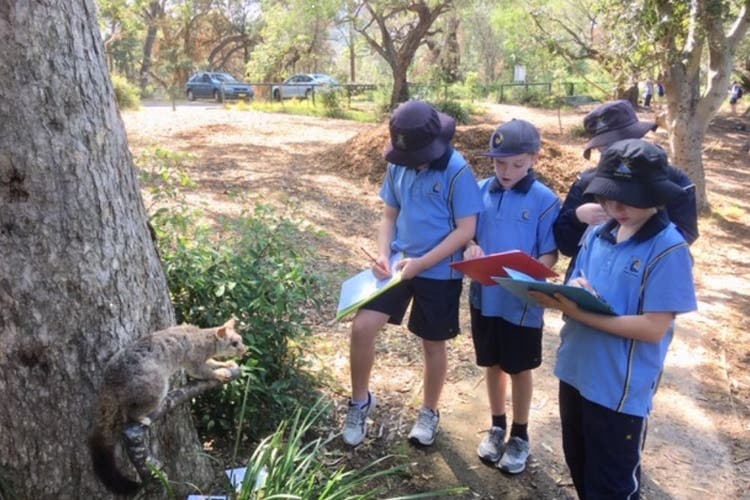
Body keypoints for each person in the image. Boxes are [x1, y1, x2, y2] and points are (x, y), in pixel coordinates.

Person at [530, 139, 697, 499]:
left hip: (618, 390)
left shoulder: (668, 249)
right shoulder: (599, 234)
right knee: (581, 466)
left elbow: (654, 328)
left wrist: (581, 313)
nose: (615, 206)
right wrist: (569, 293)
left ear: (656, 195)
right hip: (576, 371)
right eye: (607, 195)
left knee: (613, 485)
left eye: (629, 196)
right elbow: (583, 281)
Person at [341, 100, 483, 447]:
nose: (414, 162)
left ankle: (429, 411)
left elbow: (465, 231)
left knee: (432, 343)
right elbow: (390, 215)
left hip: (439, 270)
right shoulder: (399, 165)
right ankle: (360, 402)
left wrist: (422, 264)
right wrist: (382, 254)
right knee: (362, 327)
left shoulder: (457, 171)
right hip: (398, 261)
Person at [465, 119, 560, 474]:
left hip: (521, 302)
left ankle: (520, 435)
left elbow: (550, 253)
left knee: (518, 367)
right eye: (499, 163)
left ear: (534, 158)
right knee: (491, 362)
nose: (506, 172)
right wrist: (471, 248)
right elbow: (467, 236)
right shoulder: (478, 192)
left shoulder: (545, 200)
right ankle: (497, 424)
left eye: (516, 164)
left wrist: (536, 269)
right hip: (485, 296)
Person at [553, 100, 698, 280]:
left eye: (620, 142)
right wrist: (577, 217)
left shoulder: (675, 183)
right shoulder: (588, 183)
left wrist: (642, 221)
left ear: (638, 135)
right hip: (586, 280)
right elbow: (565, 245)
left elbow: (685, 235)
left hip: (641, 279)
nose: (617, 153)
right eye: (605, 149)